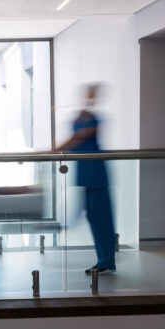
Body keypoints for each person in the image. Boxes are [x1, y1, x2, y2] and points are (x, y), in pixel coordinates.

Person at [55, 83, 116, 275]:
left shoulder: (96, 119)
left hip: (97, 173)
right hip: (84, 172)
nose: (89, 97)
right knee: (92, 216)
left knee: (101, 218)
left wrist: (51, 151)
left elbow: (78, 138)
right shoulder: (78, 117)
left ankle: (106, 261)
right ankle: (104, 260)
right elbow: (75, 138)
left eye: (92, 94)